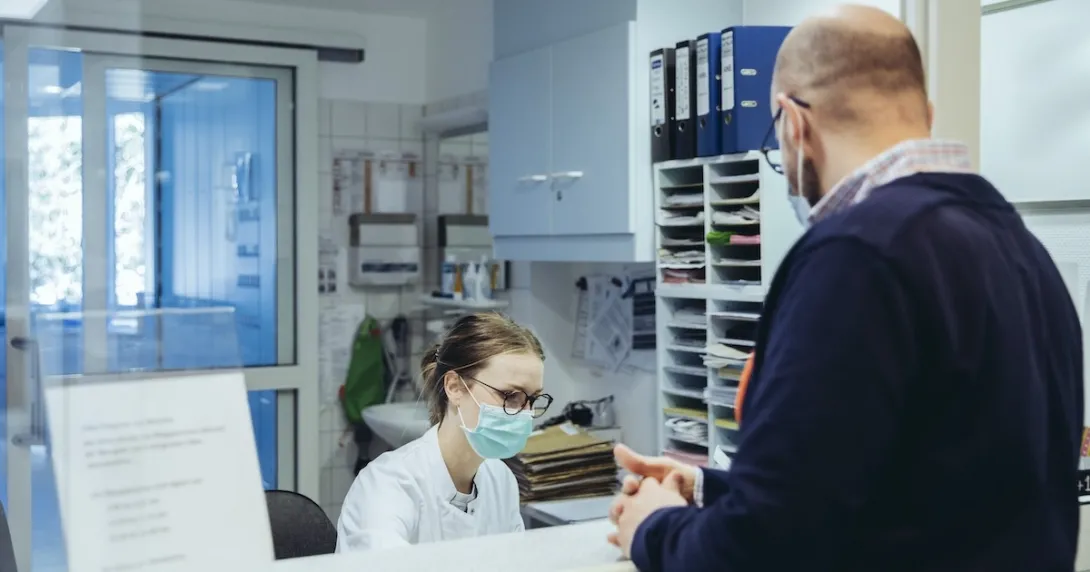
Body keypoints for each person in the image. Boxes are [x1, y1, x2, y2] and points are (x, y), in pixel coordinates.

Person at [610, 4, 1083, 571]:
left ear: (793, 122)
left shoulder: (856, 255)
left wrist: (654, 528)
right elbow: (925, 488)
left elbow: (759, 552)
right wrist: (716, 490)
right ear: (923, 113)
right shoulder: (1019, 248)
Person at [335, 312, 553, 551]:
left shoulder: (501, 481)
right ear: (454, 387)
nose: (525, 413)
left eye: (533, 399)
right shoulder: (388, 485)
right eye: (510, 396)